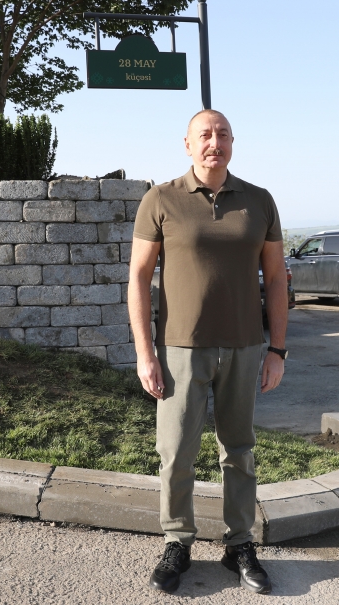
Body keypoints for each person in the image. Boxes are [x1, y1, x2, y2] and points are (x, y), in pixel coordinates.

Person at [128, 109, 288, 595]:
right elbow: (138, 278)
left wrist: (278, 349)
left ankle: (239, 544)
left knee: (239, 451)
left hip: (244, 347)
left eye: (222, 134)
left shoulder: (259, 201)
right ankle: (178, 541)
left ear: (233, 143)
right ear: (188, 144)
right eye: (204, 134)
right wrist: (145, 353)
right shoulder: (161, 199)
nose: (213, 142)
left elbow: (276, 279)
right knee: (176, 452)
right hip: (179, 349)